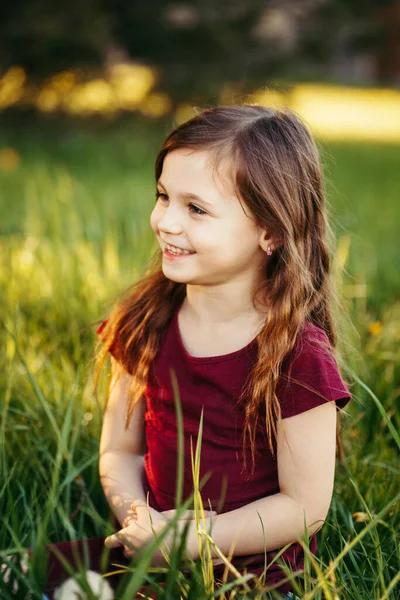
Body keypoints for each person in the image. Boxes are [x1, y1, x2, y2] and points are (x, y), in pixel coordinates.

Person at [41, 105, 353, 599]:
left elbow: (304, 507)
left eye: (196, 208)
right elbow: (119, 451)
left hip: (256, 579)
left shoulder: (297, 355)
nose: (165, 221)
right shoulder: (147, 320)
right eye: (163, 196)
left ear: (269, 231)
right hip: (145, 558)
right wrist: (141, 524)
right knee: (23, 573)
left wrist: (191, 540)